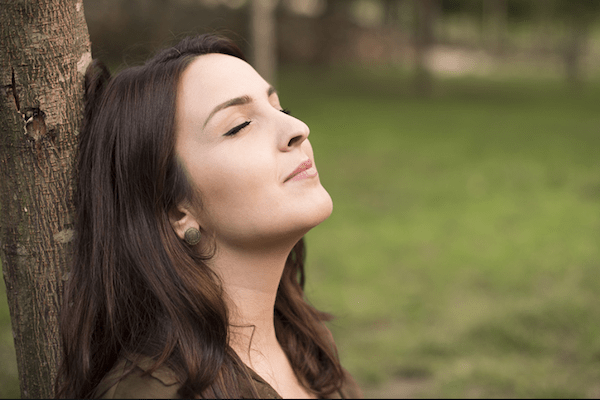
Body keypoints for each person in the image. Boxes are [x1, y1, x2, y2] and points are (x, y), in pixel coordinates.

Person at [54, 34, 362, 399]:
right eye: (239, 126)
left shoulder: (304, 345)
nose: (298, 129)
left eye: (281, 109)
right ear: (176, 210)